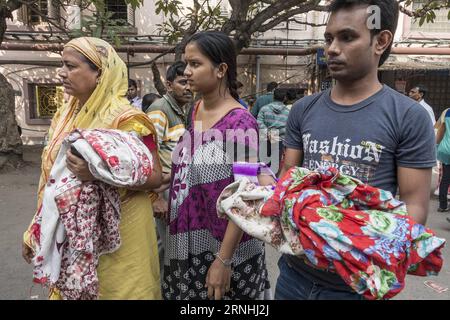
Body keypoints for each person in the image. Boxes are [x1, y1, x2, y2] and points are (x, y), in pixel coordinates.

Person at [276, 0, 436, 300]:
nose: (332, 49)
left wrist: (361, 251)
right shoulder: (302, 110)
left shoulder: (407, 116)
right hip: (293, 276)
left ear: (381, 41)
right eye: (328, 38)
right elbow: (288, 177)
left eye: (347, 37)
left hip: (355, 285)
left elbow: (414, 208)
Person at [22, 37, 163, 300]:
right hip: (74, 231)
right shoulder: (66, 114)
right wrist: (37, 228)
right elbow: (53, 177)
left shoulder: (126, 119)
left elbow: (154, 175)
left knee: (121, 291)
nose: (62, 73)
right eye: (62, 65)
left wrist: (97, 171)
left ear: (99, 72)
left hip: (124, 228)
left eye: (71, 66)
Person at [162, 31, 270, 300]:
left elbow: (246, 194)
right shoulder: (196, 109)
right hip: (187, 239)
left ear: (221, 69)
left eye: (195, 64)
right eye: (186, 64)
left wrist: (223, 261)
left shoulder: (240, 124)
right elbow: (197, 161)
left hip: (225, 249)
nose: (187, 72)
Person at [145, 60, 192, 274]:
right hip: (161, 192)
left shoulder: (182, 110)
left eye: (191, 82)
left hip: (174, 190)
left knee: (170, 247)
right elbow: (144, 154)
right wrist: (154, 199)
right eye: (183, 82)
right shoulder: (160, 110)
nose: (188, 87)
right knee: (162, 249)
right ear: (169, 84)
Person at [257, 88, 290, 173]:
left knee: (262, 165)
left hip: (264, 139)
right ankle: (272, 184)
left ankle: (262, 184)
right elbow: (287, 127)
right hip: (279, 141)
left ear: (273, 97)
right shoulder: (288, 112)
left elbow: (259, 122)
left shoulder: (264, 109)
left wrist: (268, 133)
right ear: (285, 98)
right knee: (274, 167)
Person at [436, 109, 450, 213]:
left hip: (445, 149)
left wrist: (436, 145)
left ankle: (443, 205)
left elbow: (440, 129)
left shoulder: (447, 111)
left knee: (445, 178)